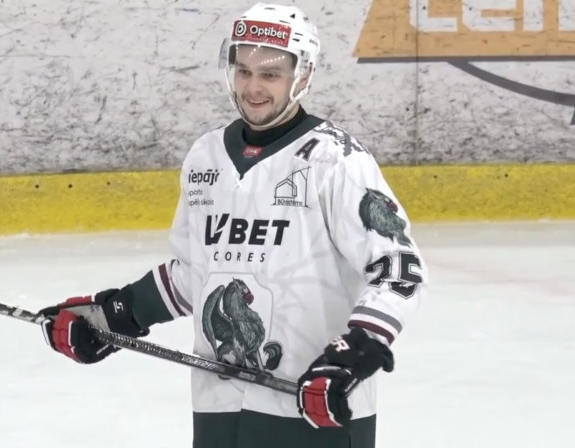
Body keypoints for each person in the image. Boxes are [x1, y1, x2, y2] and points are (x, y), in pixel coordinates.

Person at [38, 3, 428, 447]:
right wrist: (119, 314)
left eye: (270, 74)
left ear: (302, 75)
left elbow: (400, 269)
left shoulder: (336, 160)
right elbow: (195, 273)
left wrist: (355, 353)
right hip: (219, 407)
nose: (253, 87)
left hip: (316, 406)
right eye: (244, 71)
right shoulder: (205, 157)